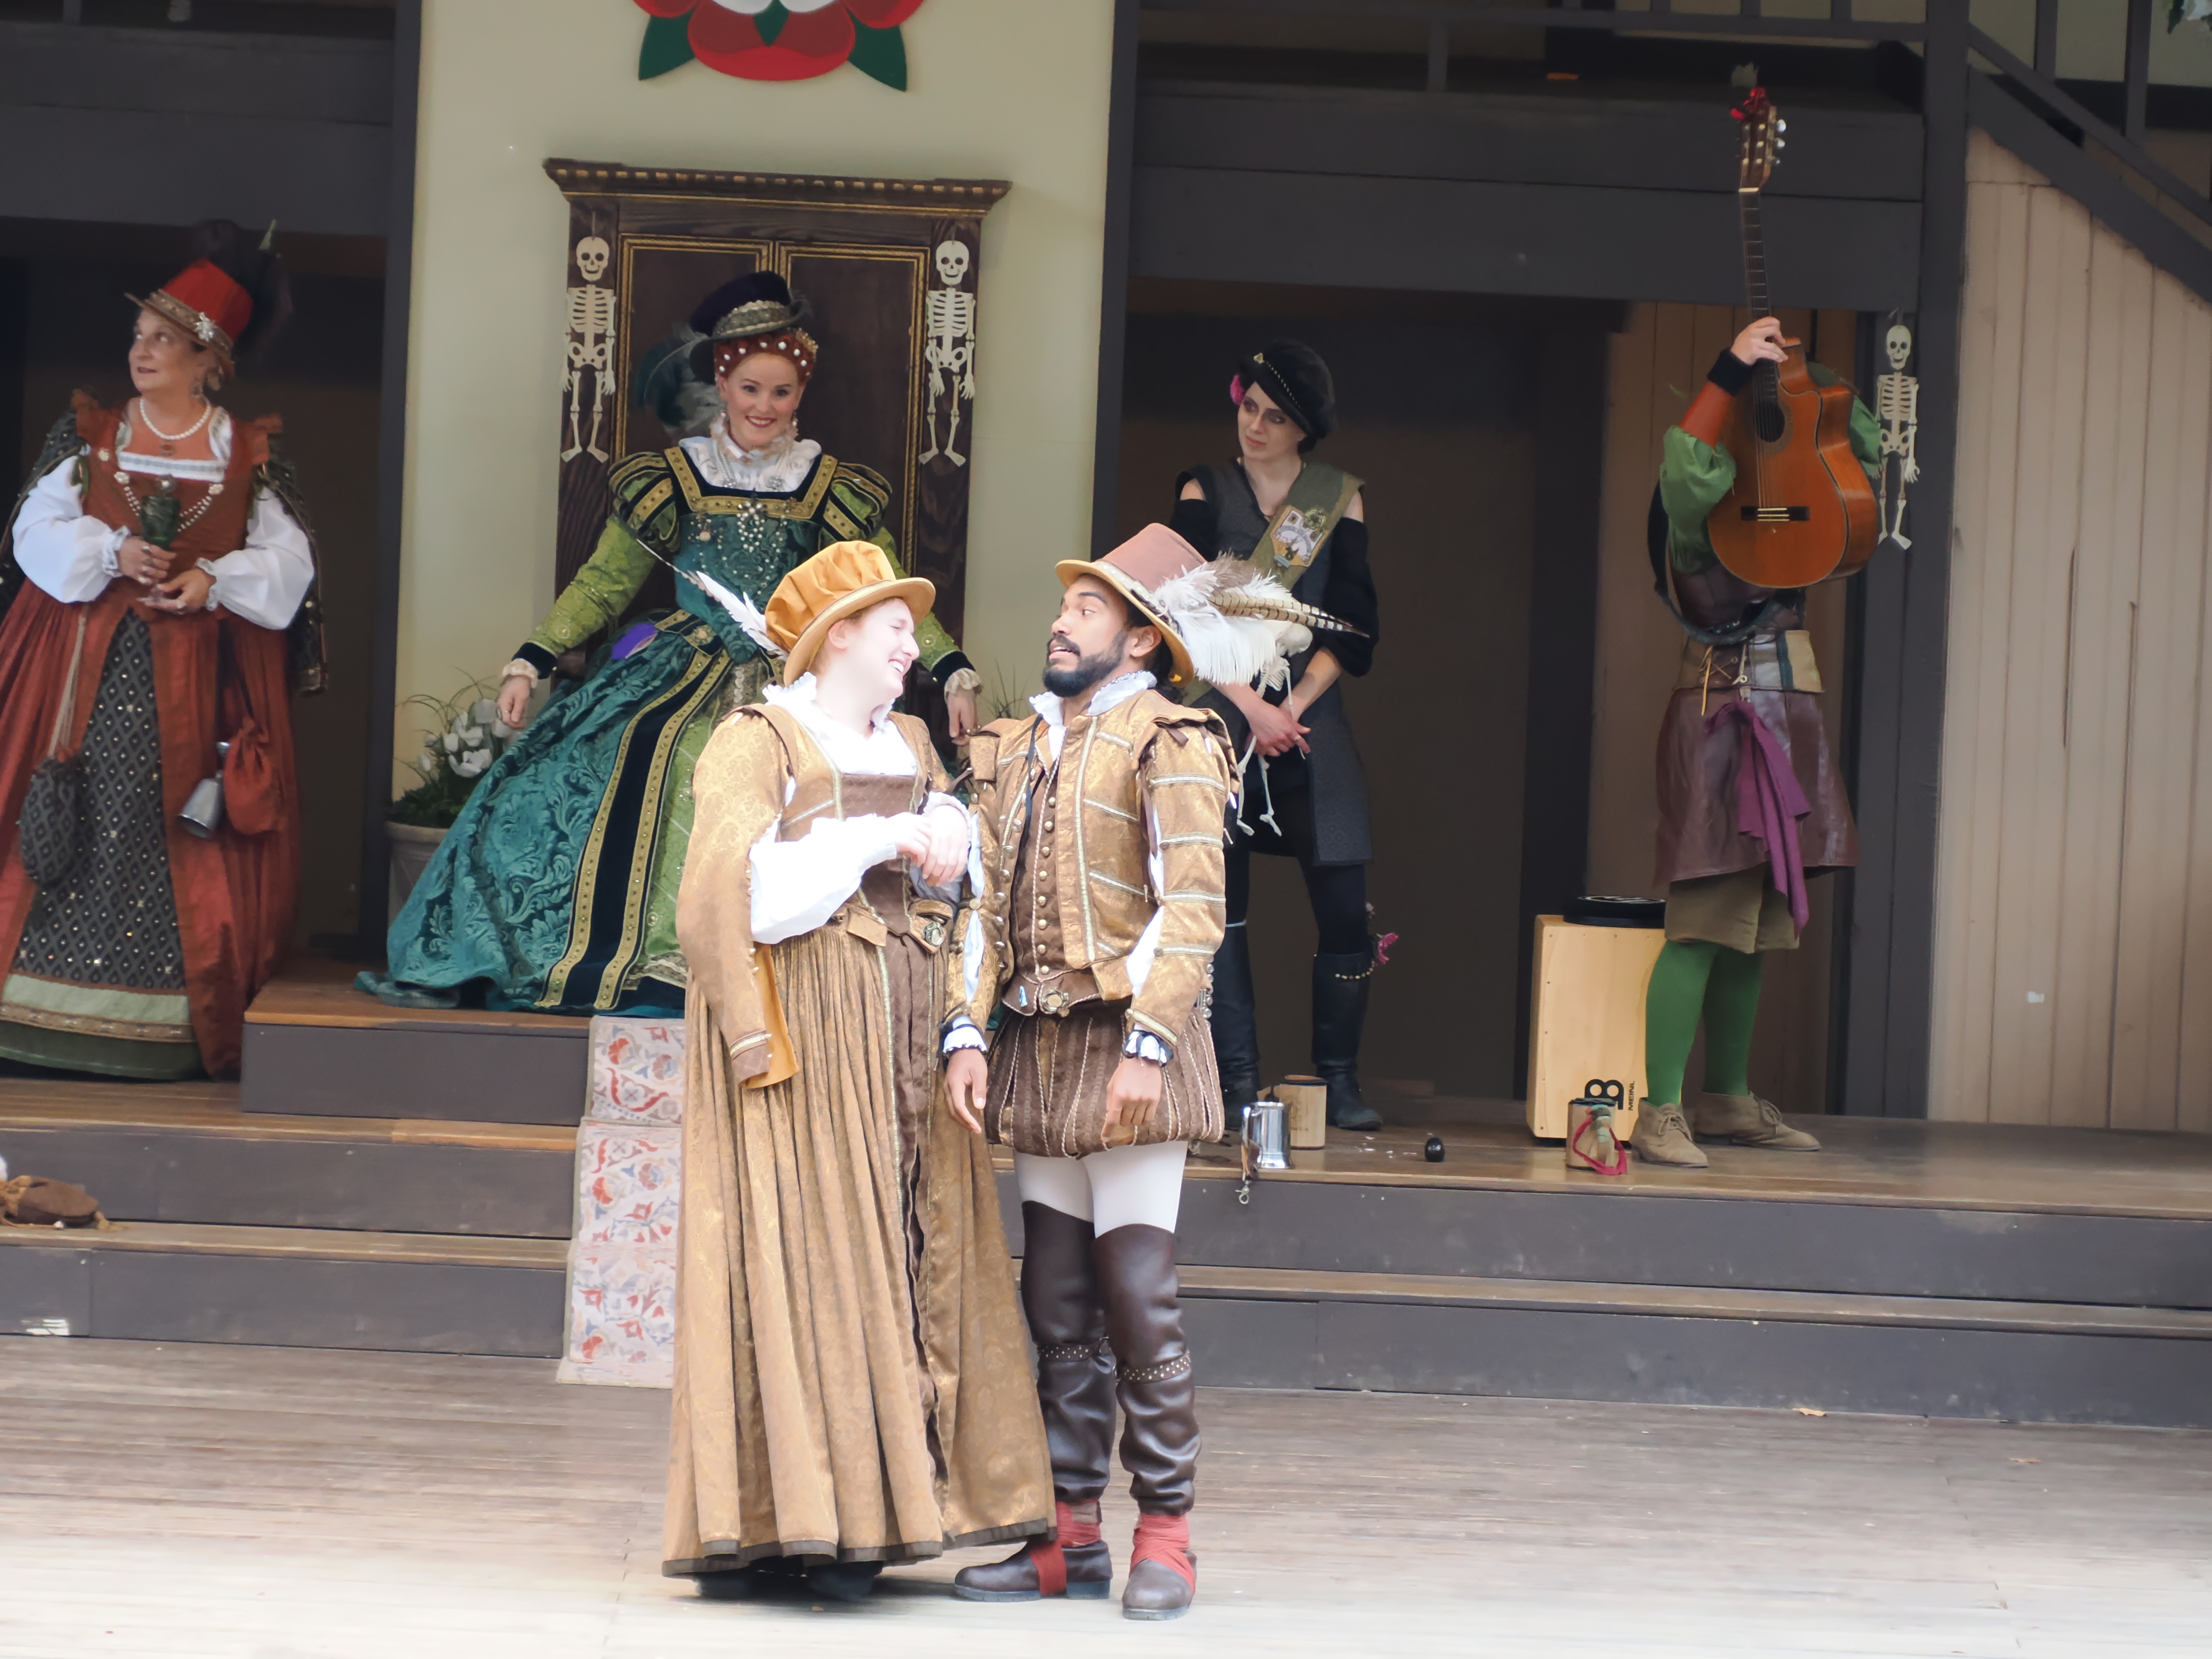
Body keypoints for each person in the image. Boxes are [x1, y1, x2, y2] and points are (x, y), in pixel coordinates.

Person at [366, 272, 979, 1014]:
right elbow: (604, 583)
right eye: (750, 389)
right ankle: (642, 957)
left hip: (794, 673)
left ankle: (780, 963)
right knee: (640, 748)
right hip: (682, 662)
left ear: (801, 395)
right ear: (722, 384)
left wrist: (951, 669)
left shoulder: (830, 488)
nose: (764, 406)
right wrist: (532, 658)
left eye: (781, 392)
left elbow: (887, 591)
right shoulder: (676, 479)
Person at [662, 540, 1050, 1601]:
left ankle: (883, 1512)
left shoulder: (913, 741)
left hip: (907, 1030)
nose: (912, 646)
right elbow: (735, 898)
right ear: (838, 635)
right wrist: (882, 837)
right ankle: (796, 1525)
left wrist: (946, 827)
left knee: (905, 1256)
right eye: (894, 628)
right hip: (810, 1031)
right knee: (814, 1258)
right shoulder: (757, 739)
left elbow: (961, 873)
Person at [943, 524, 1245, 1622]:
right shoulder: (1015, 746)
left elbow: (1193, 907)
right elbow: (979, 904)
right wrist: (964, 1030)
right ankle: (1068, 1537)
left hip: (1129, 1040)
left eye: (1086, 609)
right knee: (1055, 1297)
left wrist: (1151, 1042)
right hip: (1038, 1045)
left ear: (1141, 639)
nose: (1059, 623)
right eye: (1065, 606)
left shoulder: (1173, 737)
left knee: (1136, 1297)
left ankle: (1166, 1536)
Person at [0, 224, 322, 1079]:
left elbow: (290, 564)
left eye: (162, 341)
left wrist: (213, 577)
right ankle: (31, 1013)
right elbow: (33, 533)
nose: (139, 352)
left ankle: (164, 1025)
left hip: (196, 684)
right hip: (83, 670)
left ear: (208, 359)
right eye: (139, 336)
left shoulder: (248, 454)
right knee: (69, 811)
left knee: (170, 827)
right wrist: (112, 552)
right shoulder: (92, 436)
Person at [1630, 315, 1877, 1167]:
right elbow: (1686, 462)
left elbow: (1861, 447)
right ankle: (1660, 1110)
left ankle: (1728, 1097)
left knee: (1758, 923)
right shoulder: (1698, 504)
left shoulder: (1798, 487)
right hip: (1719, 707)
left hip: (1789, 704)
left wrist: (1803, 384)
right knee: (1703, 918)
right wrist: (1728, 371)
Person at [1168, 339, 1383, 1131]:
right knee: (1222, 909)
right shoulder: (1204, 487)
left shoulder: (1338, 499)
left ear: (1304, 431)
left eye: (1274, 417)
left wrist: (1291, 708)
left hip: (1306, 720)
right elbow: (1177, 614)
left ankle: (1339, 1081)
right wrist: (1251, 709)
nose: (1253, 425)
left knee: (1346, 902)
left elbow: (1356, 626)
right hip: (1218, 714)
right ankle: (1236, 1083)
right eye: (1248, 406)